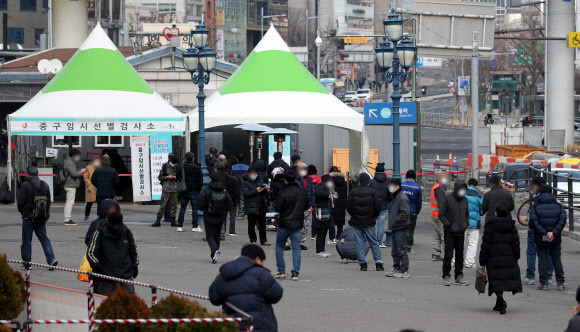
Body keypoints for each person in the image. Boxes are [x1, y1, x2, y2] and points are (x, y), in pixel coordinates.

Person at [209, 244, 283, 332]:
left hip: (233, 325)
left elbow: (214, 298)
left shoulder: (224, 274)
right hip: (261, 325)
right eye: (262, 261)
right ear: (257, 259)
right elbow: (276, 295)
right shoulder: (261, 273)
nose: (262, 265)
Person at [479, 202, 522, 315]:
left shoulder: (490, 226)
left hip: (493, 258)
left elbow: (485, 245)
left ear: (496, 213)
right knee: (502, 279)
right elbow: (516, 243)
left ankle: (500, 301)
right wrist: (516, 256)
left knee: (496, 279)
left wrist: (482, 261)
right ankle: (499, 302)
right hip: (509, 257)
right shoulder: (512, 226)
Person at [87, 211, 139, 296]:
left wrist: (135, 265)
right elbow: (91, 253)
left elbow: (134, 250)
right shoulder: (99, 232)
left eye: (118, 226)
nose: (117, 229)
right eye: (114, 226)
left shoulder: (126, 232)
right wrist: (100, 268)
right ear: (108, 222)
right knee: (106, 303)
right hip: (105, 276)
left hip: (125, 274)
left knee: (129, 301)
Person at [529, 180, 566, 291]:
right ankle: (560, 282)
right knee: (556, 258)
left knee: (542, 258)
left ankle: (544, 283)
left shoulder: (535, 206)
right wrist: (553, 233)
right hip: (555, 236)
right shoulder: (559, 206)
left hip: (541, 236)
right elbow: (562, 220)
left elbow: (534, 222)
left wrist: (545, 233)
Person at [18, 166, 58, 270]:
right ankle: (51, 259)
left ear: (28, 174)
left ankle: (27, 263)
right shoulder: (44, 185)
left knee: (27, 240)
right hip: (41, 217)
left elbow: (21, 201)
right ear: (37, 174)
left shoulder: (25, 185)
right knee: (44, 238)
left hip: (28, 217)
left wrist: (22, 211)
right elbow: (48, 202)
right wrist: (44, 213)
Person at [274, 169, 310, 281]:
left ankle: (281, 270)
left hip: (284, 223)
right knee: (296, 248)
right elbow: (306, 206)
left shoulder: (282, 192)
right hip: (298, 223)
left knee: (279, 246)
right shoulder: (302, 191)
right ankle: (295, 272)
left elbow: (277, 207)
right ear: (295, 178)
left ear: (285, 180)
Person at [346, 173, 384, 272]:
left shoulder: (353, 192)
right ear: (368, 182)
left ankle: (363, 263)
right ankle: (378, 263)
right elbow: (378, 207)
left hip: (357, 221)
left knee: (359, 242)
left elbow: (348, 206)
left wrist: (354, 215)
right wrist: (373, 215)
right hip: (369, 221)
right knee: (373, 242)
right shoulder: (373, 192)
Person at [522, 177, 554, 285]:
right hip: (549, 231)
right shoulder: (554, 200)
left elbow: (533, 216)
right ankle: (548, 276)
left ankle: (530, 276)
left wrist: (531, 227)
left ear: (537, 186)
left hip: (535, 231)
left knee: (532, 251)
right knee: (548, 252)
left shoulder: (536, 199)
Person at [439, 181, 470, 286]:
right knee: (448, 254)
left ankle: (459, 276)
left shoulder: (465, 200)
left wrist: (466, 223)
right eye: (461, 189)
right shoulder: (447, 199)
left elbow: (467, 214)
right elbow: (441, 215)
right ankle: (446, 275)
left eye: (464, 189)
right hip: (450, 232)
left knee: (460, 255)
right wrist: (449, 224)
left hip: (461, 231)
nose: (463, 191)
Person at [198, 172, 233, 263]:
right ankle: (214, 254)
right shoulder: (224, 191)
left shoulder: (206, 190)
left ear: (211, 179)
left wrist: (205, 207)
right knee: (217, 235)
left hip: (209, 216)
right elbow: (230, 204)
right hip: (221, 216)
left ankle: (215, 251)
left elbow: (200, 205)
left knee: (210, 236)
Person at [385, 178, 411, 278]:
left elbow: (405, 213)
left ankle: (404, 270)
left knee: (401, 250)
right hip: (397, 227)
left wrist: (395, 220)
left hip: (401, 227)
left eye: (391, 185)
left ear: (397, 186)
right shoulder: (396, 196)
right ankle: (396, 268)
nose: (389, 187)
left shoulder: (402, 197)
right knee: (395, 250)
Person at [242, 166, 270, 245]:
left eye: (255, 174)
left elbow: (267, 194)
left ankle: (263, 240)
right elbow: (245, 194)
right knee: (251, 225)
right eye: (252, 174)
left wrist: (264, 190)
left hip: (261, 206)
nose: (253, 175)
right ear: (249, 174)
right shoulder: (245, 183)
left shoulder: (260, 182)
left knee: (262, 225)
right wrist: (255, 190)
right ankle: (253, 240)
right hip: (251, 206)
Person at [176, 152, 204, 233]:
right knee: (195, 209)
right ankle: (195, 226)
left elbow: (178, 178)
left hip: (184, 190)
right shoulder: (197, 168)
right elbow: (200, 180)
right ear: (193, 158)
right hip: (194, 190)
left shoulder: (181, 167)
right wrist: (199, 189)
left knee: (183, 208)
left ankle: (179, 226)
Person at [152, 154, 180, 227]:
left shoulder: (178, 167)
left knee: (174, 205)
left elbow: (181, 177)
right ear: (170, 161)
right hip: (166, 188)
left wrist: (175, 177)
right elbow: (160, 177)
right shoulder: (165, 166)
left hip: (174, 188)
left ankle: (173, 221)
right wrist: (167, 177)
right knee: (163, 204)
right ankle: (158, 220)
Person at [312, 174, 335, 258]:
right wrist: (328, 194)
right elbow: (317, 193)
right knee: (321, 233)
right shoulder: (321, 186)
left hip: (325, 212)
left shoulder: (327, 187)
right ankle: (319, 250)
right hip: (321, 212)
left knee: (324, 232)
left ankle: (322, 249)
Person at [63, 148, 86, 226]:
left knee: (69, 202)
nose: (78, 157)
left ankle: (68, 218)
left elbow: (73, 172)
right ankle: (67, 219)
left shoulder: (69, 162)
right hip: (70, 185)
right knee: (69, 202)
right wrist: (82, 172)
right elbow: (74, 174)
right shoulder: (69, 163)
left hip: (70, 184)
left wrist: (80, 170)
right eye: (77, 155)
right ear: (74, 155)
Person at [369, 163, 391, 247]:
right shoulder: (388, 182)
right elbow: (391, 195)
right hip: (383, 206)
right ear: (384, 171)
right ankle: (379, 242)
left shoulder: (371, 182)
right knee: (381, 226)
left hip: (373, 206)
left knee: (371, 225)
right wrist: (386, 201)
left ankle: (372, 241)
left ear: (375, 172)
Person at [217, 162, 240, 238]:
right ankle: (232, 231)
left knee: (223, 215)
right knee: (232, 215)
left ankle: (222, 231)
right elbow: (237, 191)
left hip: (222, 199)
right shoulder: (234, 179)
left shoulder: (219, 177)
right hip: (233, 199)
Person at [464, 178, 483, 268]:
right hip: (474, 223)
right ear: (476, 186)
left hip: (462, 222)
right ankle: (469, 262)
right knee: (473, 243)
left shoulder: (462, 194)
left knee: (459, 243)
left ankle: (455, 261)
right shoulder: (479, 196)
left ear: (467, 185)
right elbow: (482, 211)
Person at [294, 163, 314, 249]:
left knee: (305, 225)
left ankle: (301, 243)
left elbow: (312, 192)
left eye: (304, 169)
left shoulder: (309, 179)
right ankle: (288, 243)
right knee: (294, 225)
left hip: (307, 205)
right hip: (296, 205)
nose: (303, 171)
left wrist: (312, 204)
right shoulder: (294, 179)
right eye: (301, 169)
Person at [401, 170, 422, 251]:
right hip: (412, 211)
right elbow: (419, 202)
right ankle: (408, 245)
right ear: (414, 177)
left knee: (402, 228)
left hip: (402, 211)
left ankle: (402, 244)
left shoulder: (401, 185)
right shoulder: (417, 187)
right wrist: (417, 211)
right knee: (410, 229)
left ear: (406, 176)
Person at [430, 171, 448, 261]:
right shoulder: (439, 189)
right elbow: (442, 204)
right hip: (439, 216)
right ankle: (448, 255)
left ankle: (435, 254)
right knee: (444, 236)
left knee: (437, 236)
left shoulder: (435, 187)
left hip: (434, 215)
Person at [329, 166, 347, 241]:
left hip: (332, 203)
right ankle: (340, 237)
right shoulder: (344, 182)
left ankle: (332, 238)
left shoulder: (329, 182)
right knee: (340, 222)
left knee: (331, 222)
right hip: (342, 203)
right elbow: (346, 192)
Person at [83, 156, 100, 221]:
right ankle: (86, 215)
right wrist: (89, 184)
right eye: (95, 160)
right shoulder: (89, 167)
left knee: (100, 202)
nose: (97, 162)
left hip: (99, 187)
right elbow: (85, 177)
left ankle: (99, 215)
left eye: (98, 160)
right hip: (92, 187)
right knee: (89, 202)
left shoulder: (102, 167)